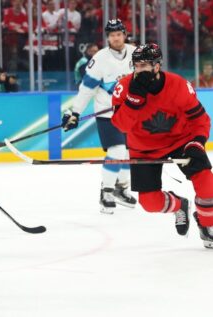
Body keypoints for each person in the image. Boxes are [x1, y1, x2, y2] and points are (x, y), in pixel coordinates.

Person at [111, 43, 213, 248]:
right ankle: (179, 205)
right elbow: (120, 125)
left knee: (207, 184)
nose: (139, 69)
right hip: (144, 147)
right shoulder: (124, 87)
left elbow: (201, 120)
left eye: (145, 65)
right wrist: (133, 101)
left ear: (157, 66)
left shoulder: (178, 85)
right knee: (150, 203)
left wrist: (196, 143)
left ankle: (206, 224)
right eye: (137, 65)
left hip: (181, 140)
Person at [62, 19, 137, 214]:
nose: (116, 38)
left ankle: (122, 189)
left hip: (130, 114)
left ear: (124, 34)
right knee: (117, 150)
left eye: (119, 34)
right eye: (112, 35)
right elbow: (87, 88)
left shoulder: (135, 53)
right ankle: (107, 192)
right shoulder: (100, 59)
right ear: (108, 38)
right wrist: (75, 112)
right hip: (108, 113)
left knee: (128, 152)